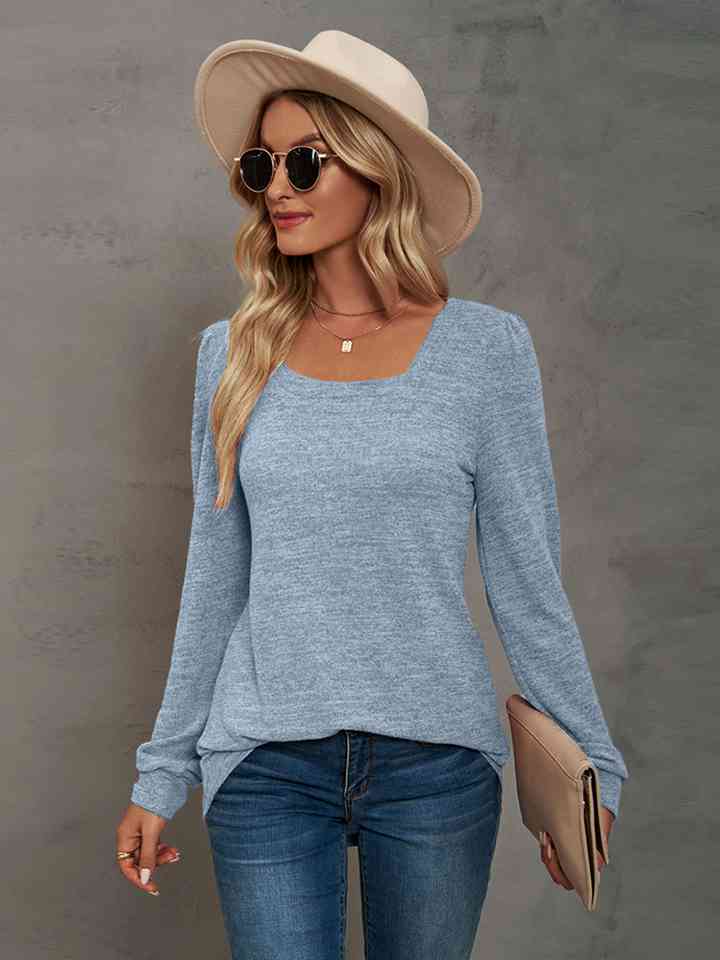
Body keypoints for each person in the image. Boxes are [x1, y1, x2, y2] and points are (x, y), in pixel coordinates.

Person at [115, 29, 629, 959]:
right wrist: (162, 774)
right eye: (261, 166)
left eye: (305, 163)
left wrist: (592, 771)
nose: (277, 188)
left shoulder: (485, 352)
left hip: (435, 764)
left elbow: (527, 579)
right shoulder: (232, 355)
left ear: (375, 172)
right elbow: (214, 578)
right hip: (264, 762)